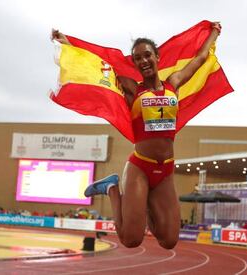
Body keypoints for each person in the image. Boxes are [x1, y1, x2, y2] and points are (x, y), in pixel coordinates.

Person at [51, 22, 222, 249]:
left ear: (157, 57)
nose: (143, 61)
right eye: (137, 58)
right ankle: (111, 188)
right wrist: (69, 42)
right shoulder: (133, 89)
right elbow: (101, 62)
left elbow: (200, 59)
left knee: (168, 240)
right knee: (131, 239)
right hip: (141, 167)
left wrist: (214, 33)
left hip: (166, 170)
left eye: (147, 55)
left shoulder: (174, 83)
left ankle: (147, 200)